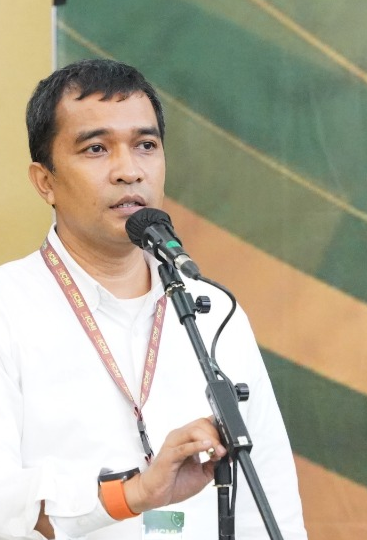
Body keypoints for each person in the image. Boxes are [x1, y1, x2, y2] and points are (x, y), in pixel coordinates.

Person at [0, 59, 308, 539]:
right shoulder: (10, 307)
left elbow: (269, 505)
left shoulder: (212, 311)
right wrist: (134, 494)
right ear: (45, 182)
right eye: (96, 148)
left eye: (145, 145)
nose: (129, 171)